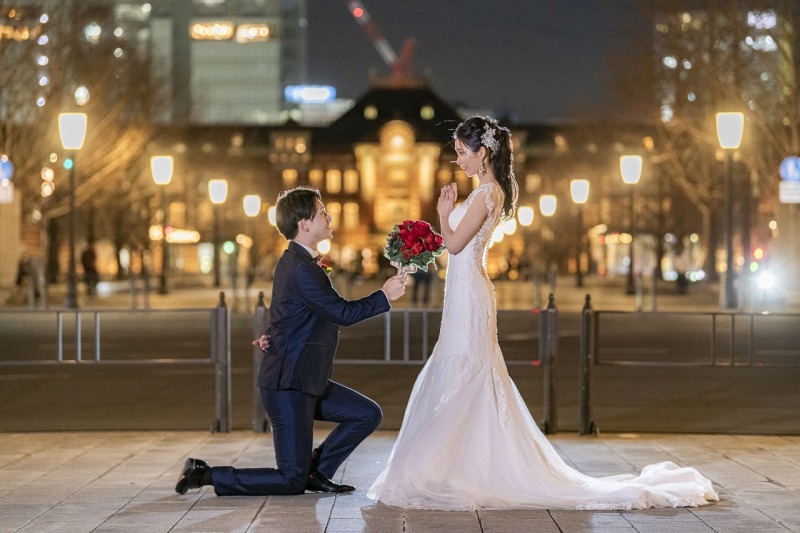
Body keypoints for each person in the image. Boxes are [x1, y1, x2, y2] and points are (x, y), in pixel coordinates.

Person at [367, 116, 718, 510]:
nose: (458, 161)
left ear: (483, 154)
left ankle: (448, 467)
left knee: (465, 369)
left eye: (463, 154)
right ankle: (459, 465)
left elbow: (454, 244)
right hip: (465, 292)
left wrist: (443, 209)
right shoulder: (488, 192)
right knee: (464, 370)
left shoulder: (485, 194)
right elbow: (453, 241)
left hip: (470, 295)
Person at [176, 187, 407, 497]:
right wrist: (383, 296)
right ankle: (205, 474)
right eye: (322, 212)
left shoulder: (301, 263)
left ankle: (317, 471)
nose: (329, 216)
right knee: (289, 480)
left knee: (366, 414)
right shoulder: (301, 268)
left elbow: (287, 313)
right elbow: (341, 312)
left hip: (305, 378)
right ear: (304, 224)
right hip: (288, 385)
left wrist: (272, 336)